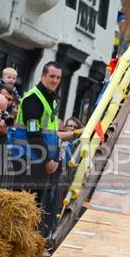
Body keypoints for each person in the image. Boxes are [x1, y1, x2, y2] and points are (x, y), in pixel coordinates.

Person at [14, 62, 78, 238]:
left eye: (58, 77)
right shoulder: (33, 99)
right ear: (43, 76)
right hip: (28, 160)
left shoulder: (50, 99)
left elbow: (50, 134)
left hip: (39, 161)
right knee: (25, 206)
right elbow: (33, 133)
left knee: (35, 206)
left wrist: (54, 159)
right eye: (52, 76)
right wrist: (48, 160)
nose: (55, 80)